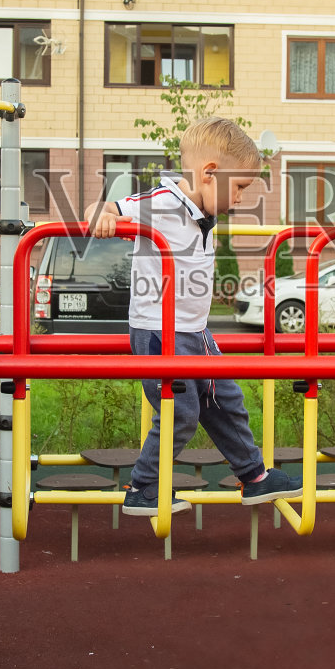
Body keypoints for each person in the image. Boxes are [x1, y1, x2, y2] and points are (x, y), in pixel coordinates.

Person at [89, 116, 301, 516]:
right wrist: (102, 215)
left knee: (227, 399)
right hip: (158, 332)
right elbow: (106, 206)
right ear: (209, 173)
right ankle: (143, 487)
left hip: (195, 331)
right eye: (239, 187)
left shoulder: (203, 209)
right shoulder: (162, 203)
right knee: (181, 412)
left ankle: (254, 476)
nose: (241, 198)